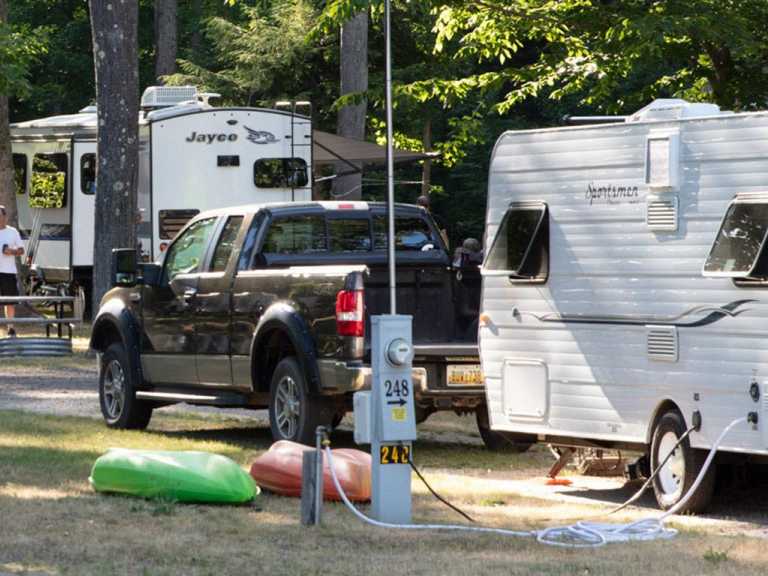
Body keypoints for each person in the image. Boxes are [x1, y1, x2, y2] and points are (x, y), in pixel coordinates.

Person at [0, 205, 24, 338]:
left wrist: (11, 251)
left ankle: (11, 329)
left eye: (0, 216)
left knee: (9, 302)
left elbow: (21, 250)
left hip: (8, 272)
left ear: (5, 217)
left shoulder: (12, 232)